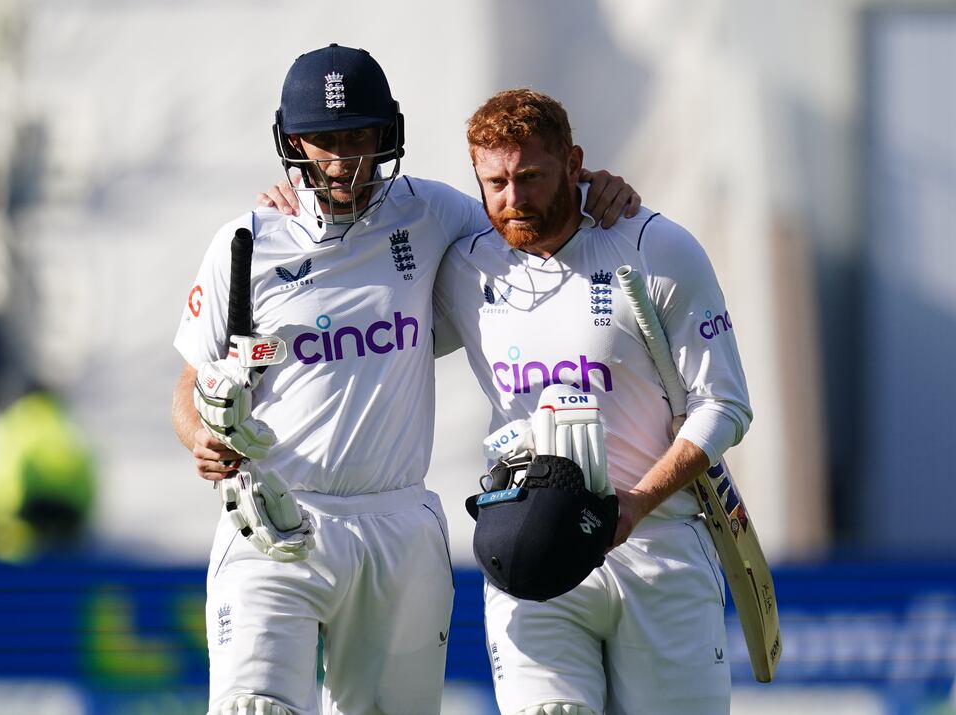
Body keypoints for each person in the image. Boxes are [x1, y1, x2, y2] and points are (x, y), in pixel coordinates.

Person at [171, 44, 639, 715]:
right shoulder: (246, 242)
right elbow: (190, 384)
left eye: (358, 136)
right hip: (275, 516)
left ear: (387, 134)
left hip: (397, 522)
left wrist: (592, 185)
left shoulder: (433, 214)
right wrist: (200, 437)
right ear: (291, 140)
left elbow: (531, 220)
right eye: (323, 140)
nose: (341, 160)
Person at [430, 89, 753, 715]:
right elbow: (374, 339)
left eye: (530, 176)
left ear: (574, 164)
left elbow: (726, 405)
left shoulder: (656, 248)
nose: (513, 199)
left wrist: (635, 504)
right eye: (494, 182)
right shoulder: (464, 270)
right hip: (531, 545)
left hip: (657, 544)